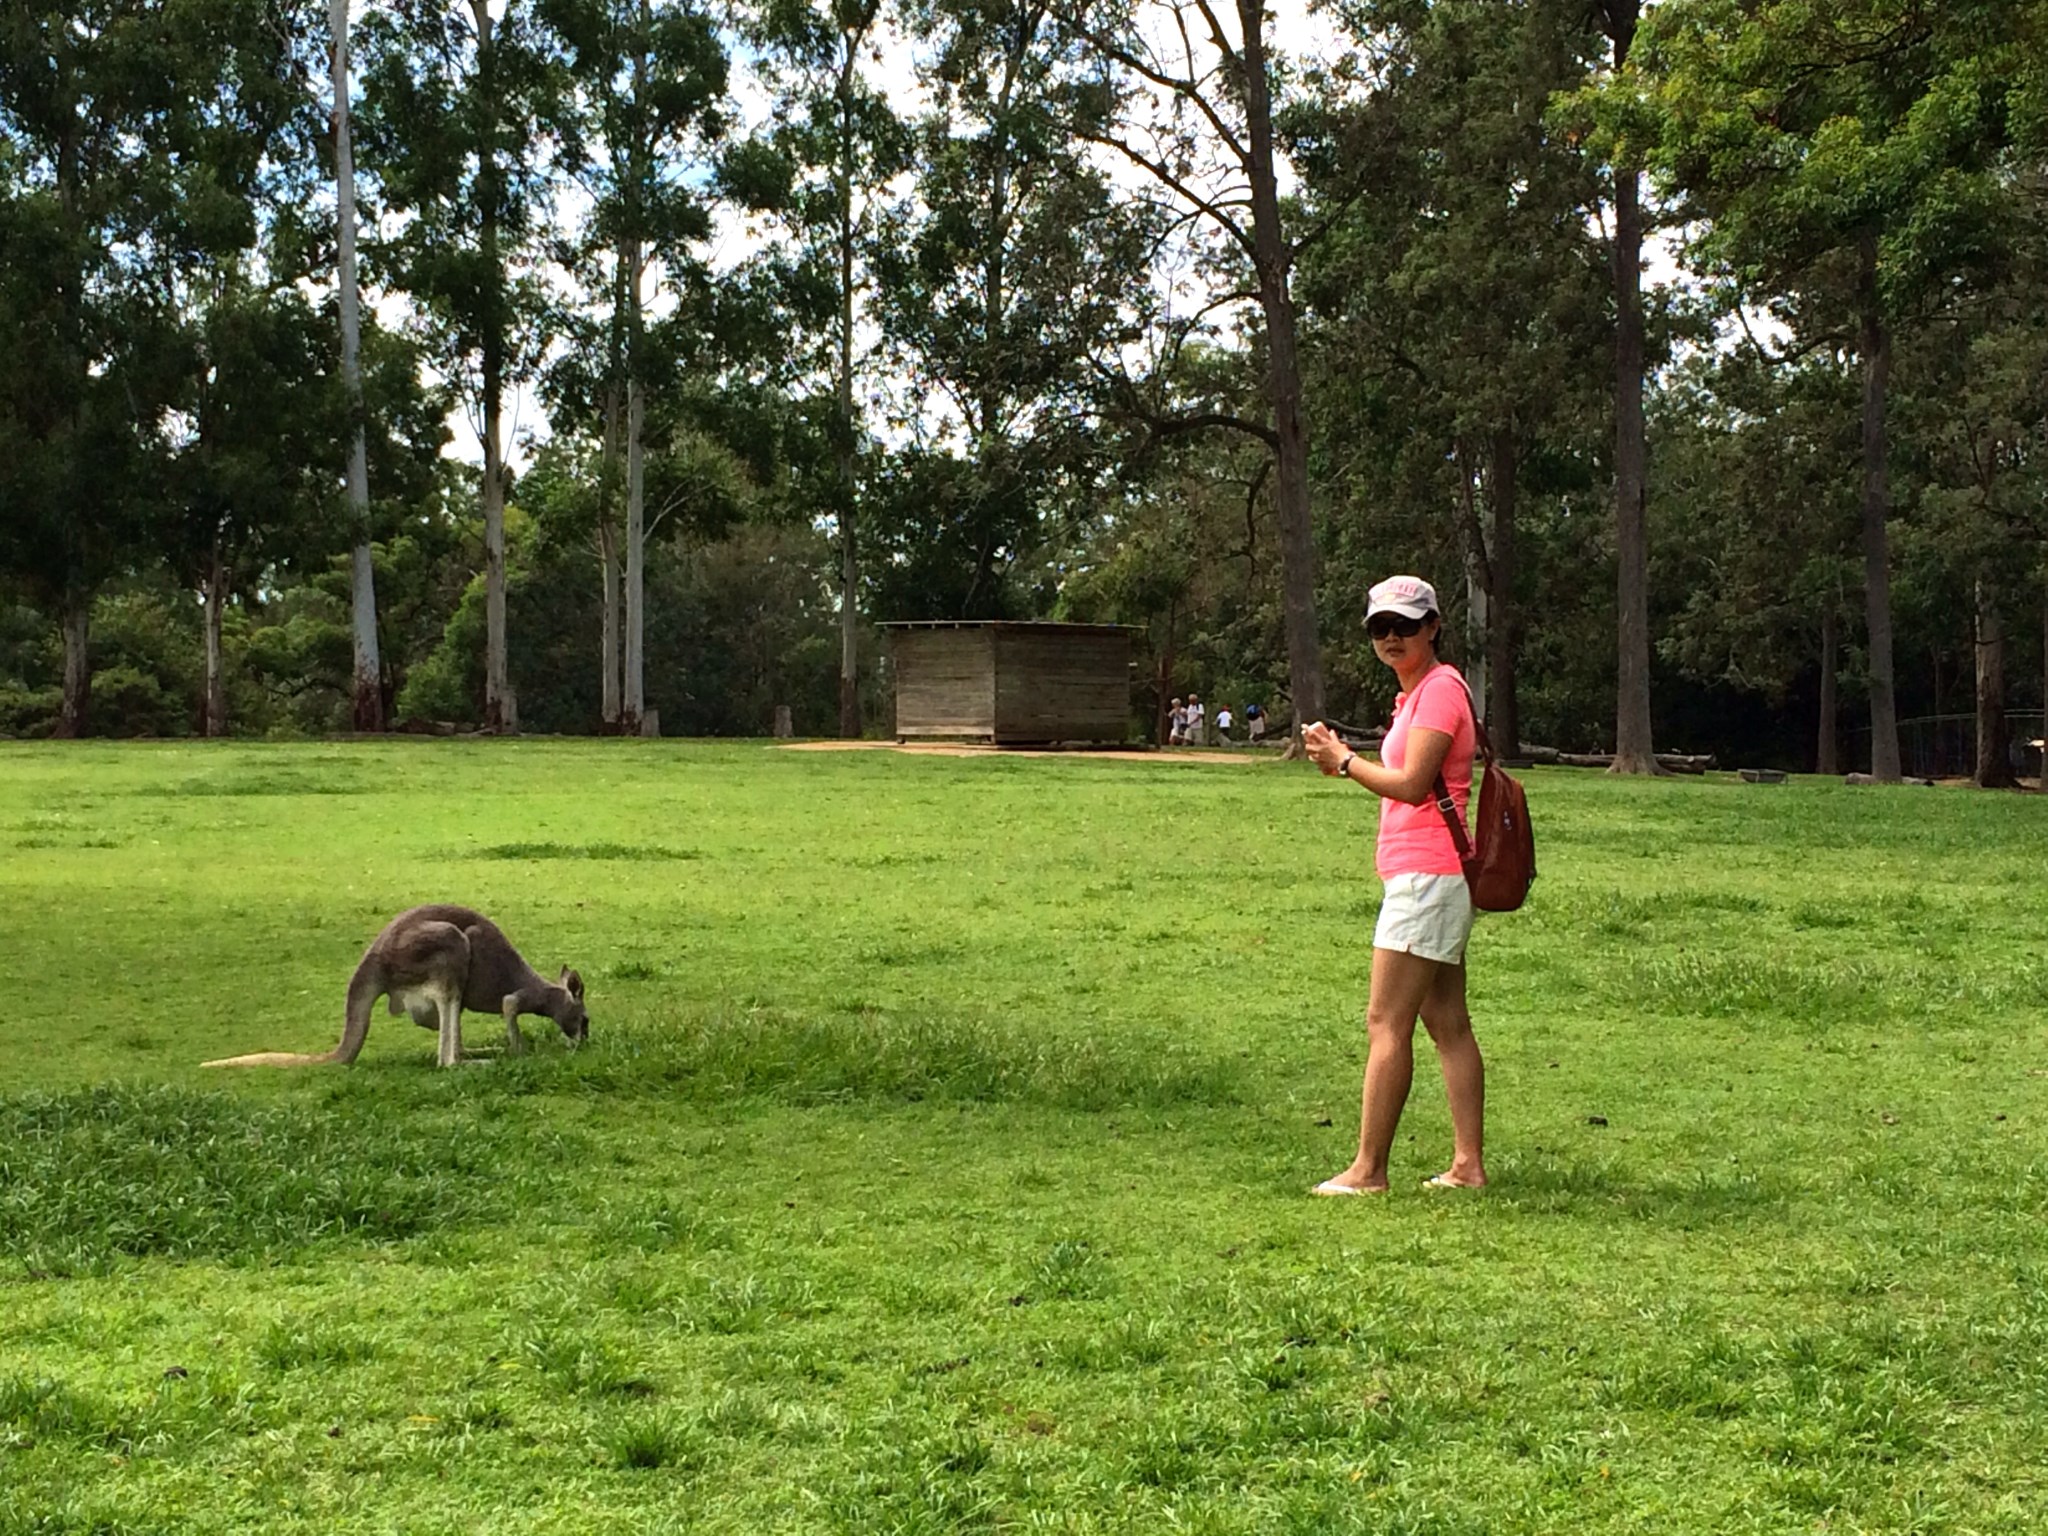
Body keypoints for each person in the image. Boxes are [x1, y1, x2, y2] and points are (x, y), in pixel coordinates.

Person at [1302, 574, 1486, 1193]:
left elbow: (1411, 784)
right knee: (1448, 1023)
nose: (1391, 638)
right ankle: (1467, 1166)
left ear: (1433, 627)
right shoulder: (1417, 695)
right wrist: (1349, 761)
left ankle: (1369, 1169)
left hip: (1426, 879)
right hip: (1432, 876)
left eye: (1405, 626)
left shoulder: (1438, 692)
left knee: (1386, 1022)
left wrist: (1346, 762)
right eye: (1380, 627)